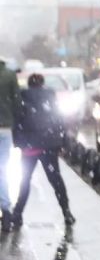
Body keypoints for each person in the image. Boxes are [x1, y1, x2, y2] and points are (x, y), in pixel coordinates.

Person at [11, 73, 75, 230]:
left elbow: (17, 120)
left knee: (25, 181)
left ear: (29, 84)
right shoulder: (50, 97)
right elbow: (59, 120)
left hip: (30, 148)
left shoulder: (22, 97)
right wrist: (63, 143)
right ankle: (66, 213)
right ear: (42, 84)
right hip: (48, 146)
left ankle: (17, 214)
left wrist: (18, 143)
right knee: (56, 180)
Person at [0, 57, 20, 232]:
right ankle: (6, 211)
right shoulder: (9, 75)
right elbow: (17, 103)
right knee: (2, 170)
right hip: (5, 128)